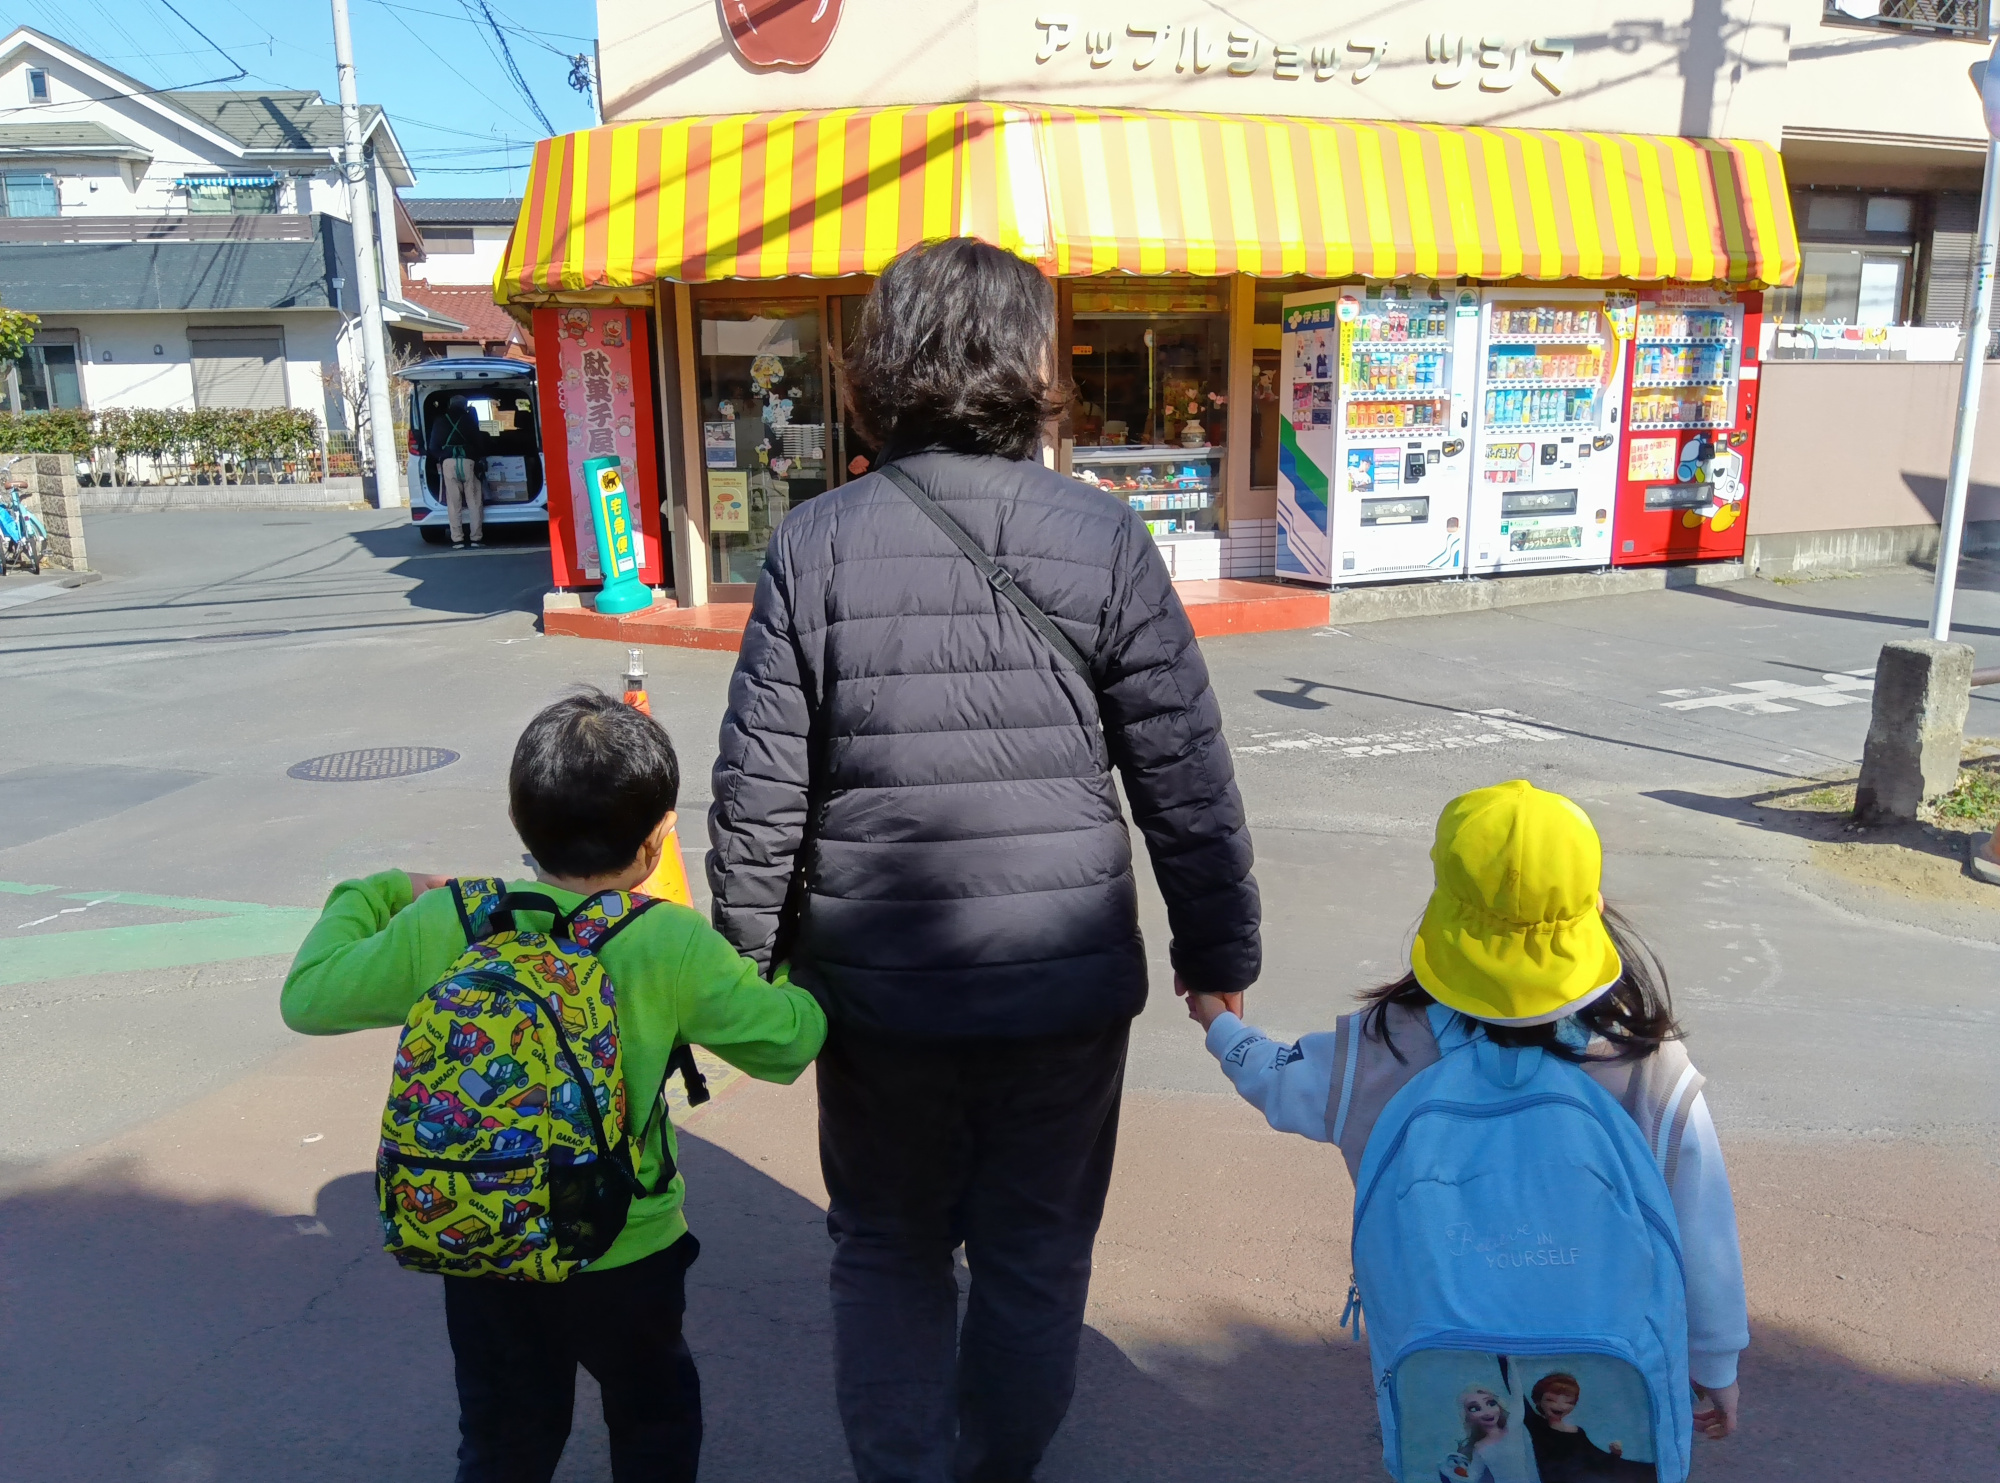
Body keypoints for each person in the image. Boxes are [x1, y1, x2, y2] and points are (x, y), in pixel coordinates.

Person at [706, 236, 1260, 1483]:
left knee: (885, 1243)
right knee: (1034, 1247)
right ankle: (997, 1462)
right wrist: (1217, 949)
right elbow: (1181, 768)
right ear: (1028, 366)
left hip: (875, 986)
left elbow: (760, 787)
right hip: (1061, 980)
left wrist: (740, 968)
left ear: (879, 368)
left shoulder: (815, 540)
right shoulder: (1101, 534)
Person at [282, 692, 827, 1483]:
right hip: (624, 1238)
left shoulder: (450, 920)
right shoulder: (668, 941)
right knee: (654, 1418)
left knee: (505, 1438)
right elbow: (789, 1042)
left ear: (518, 817)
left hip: (484, 1231)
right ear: (657, 837)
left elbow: (307, 996)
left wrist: (379, 889)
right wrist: (792, 966)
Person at [1186, 779, 1747, 1468]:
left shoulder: (1382, 1048)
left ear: (1444, 918)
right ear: (1593, 912)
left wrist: (1220, 1023)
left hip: (1441, 1355)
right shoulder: (1646, 1063)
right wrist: (1716, 1364)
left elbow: (1275, 1078)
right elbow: (1703, 1226)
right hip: (1612, 1362)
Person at [427, 392, 487, 548]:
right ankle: (476, 539)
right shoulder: (469, 420)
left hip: (448, 464)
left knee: (454, 503)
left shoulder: (440, 421)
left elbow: (432, 447)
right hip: (468, 462)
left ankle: (457, 540)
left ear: (450, 405)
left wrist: (442, 457)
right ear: (465, 406)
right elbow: (480, 444)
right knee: (474, 502)